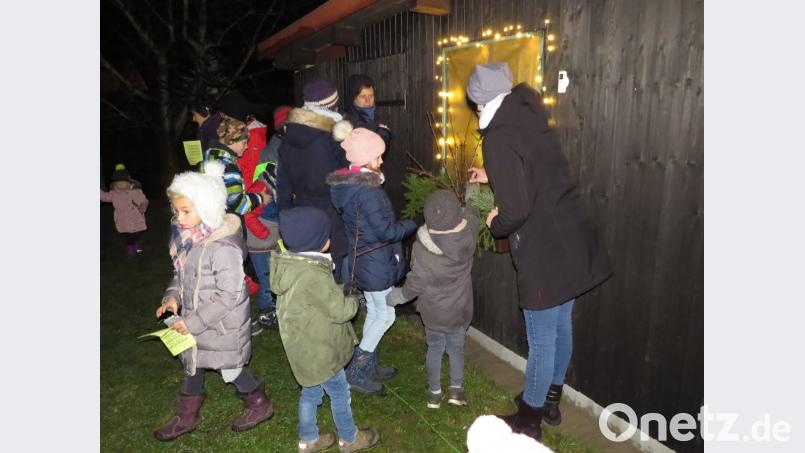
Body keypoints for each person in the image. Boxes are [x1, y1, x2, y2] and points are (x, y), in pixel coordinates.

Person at [465, 62, 611, 441]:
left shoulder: (497, 136)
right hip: (570, 239)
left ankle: (528, 420)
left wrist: (494, 223)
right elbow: (530, 172)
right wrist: (491, 174)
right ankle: (549, 398)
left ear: (480, 102)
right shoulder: (527, 115)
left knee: (542, 336)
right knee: (561, 325)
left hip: (543, 249)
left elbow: (515, 210)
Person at [153, 161, 273, 441]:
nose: (178, 217)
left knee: (230, 369)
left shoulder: (223, 248)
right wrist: (172, 297)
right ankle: (186, 416)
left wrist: (191, 323)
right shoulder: (192, 239)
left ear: (206, 209)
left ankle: (259, 404)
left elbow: (228, 295)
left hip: (220, 326)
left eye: (185, 210)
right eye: (176, 210)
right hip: (198, 322)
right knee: (193, 363)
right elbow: (181, 276)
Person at [271, 206, 380, 453]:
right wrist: (352, 300)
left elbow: (314, 300)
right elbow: (341, 311)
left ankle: (308, 441)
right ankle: (350, 439)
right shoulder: (313, 275)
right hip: (321, 352)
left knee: (310, 394)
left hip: (303, 350)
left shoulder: (291, 266)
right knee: (340, 392)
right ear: (316, 243)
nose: (329, 240)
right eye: (325, 237)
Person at [327, 127, 417, 395]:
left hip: (363, 258)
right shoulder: (368, 192)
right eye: (378, 157)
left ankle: (370, 364)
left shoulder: (350, 184)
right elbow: (385, 232)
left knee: (377, 312)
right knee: (386, 315)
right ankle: (356, 370)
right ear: (365, 160)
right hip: (375, 261)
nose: (381, 162)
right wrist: (411, 224)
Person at [385, 189, 480, 409]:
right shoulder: (469, 235)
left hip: (433, 313)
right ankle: (456, 390)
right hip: (459, 311)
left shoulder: (422, 250)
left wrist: (396, 297)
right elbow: (473, 215)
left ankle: (435, 393)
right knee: (456, 349)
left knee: (435, 349)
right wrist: (472, 195)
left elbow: (414, 284)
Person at [277, 78, 352, 281]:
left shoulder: (288, 137)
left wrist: (284, 215)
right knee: (332, 266)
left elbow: (282, 183)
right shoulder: (332, 137)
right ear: (331, 107)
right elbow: (346, 174)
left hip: (300, 211)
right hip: (331, 211)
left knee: (309, 268)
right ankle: (339, 302)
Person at [200, 115, 270, 216]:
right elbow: (238, 205)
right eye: (244, 143)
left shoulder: (209, 156)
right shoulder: (229, 167)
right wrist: (261, 197)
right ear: (232, 141)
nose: (246, 147)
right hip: (226, 220)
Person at [100, 163, 149, 257]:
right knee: (128, 236)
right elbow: (105, 197)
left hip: (135, 218)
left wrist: (143, 206)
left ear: (128, 183)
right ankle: (131, 248)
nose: (121, 185)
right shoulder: (113, 194)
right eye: (118, 183)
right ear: (114, 184)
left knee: (138, 233)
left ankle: (137, 244)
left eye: (123, 183)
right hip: (123, 220)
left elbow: (143, 200)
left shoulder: (134, 192)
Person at [343, 74, 392, 147]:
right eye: (363, 96)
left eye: (371, 96)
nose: (368, 101)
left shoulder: (377, 116)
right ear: (352, 98)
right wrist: (383, 135)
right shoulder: (346, 122)